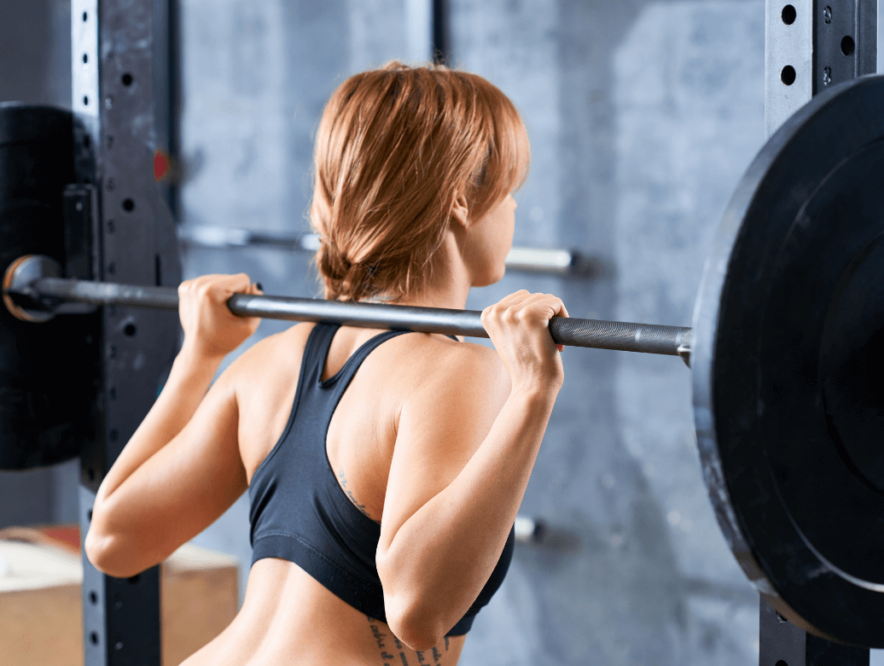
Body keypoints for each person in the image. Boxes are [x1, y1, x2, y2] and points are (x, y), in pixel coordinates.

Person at [84, 62, 567, 665]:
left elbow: (112, 538)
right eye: (510, 190)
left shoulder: (269, 362)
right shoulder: (456, 371)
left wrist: (200, 354)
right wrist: (532, 394)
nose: (515, 210)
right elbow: (418, 612)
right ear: (462, 201)